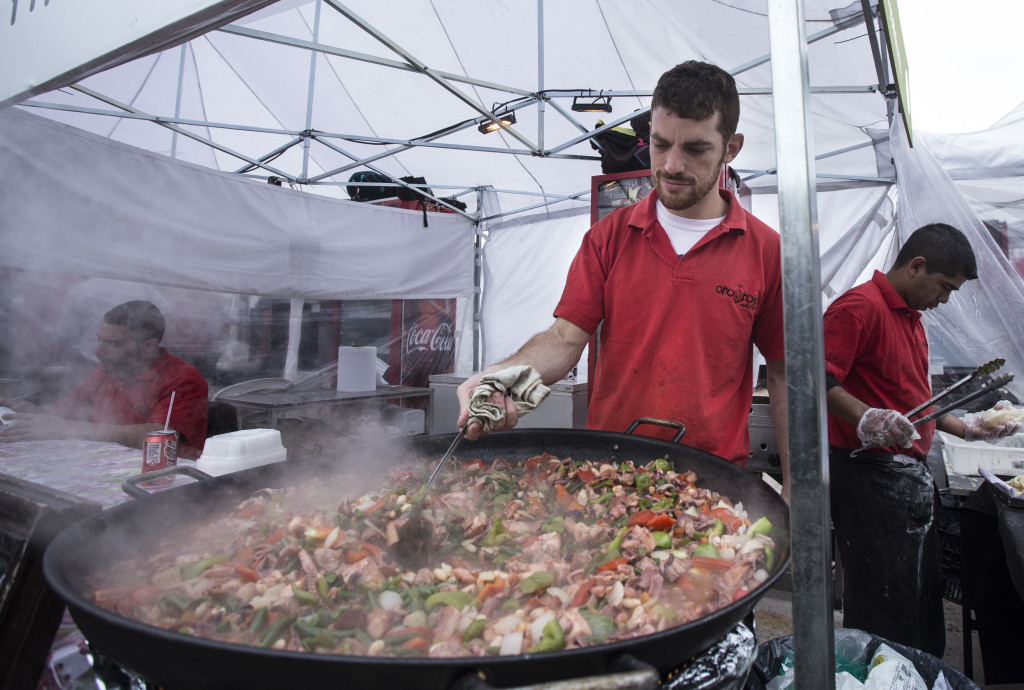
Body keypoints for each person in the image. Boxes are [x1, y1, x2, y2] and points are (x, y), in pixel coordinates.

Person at [456, 60, 789, 498]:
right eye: (660, 144)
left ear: (731, 148)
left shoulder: (766, 251)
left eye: (695, 149)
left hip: (714, 480)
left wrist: (797, 483)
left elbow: (785, 374)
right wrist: (496, 377)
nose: (671, 165)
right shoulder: (607, 238)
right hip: (609, 472)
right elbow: (564, 339)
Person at [823, 223, 1020, 657]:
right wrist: (866, 417)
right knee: (883, 602)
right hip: (868, 477)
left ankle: (915, 676)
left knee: (917, 600)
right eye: (944, 287)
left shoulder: (910, 317)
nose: (944, 300)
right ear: (917, 266)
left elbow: (916, 399)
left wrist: (968, 427)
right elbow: (816, 380)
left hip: (907, 478)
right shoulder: (858, 308)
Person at [0, 300, 209, 459]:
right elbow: (70, 409)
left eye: (114, 344)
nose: (97, 351)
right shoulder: (106, 371)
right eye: (99, 339)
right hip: (100, 467)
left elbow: (158, 435)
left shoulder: (182, 379)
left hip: (163, 482)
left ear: (148, 346)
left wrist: (70, 428)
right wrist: (29, 412)